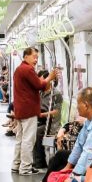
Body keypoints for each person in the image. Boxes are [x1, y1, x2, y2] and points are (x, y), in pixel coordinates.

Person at [12, 47, 60, 175]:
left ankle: (16, 165)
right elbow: (39, 85)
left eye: (37, 57)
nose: (35, 60)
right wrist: (49, 77)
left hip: (21, 109)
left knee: (20, 139)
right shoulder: (28, 69)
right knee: (28, 140)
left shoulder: (19, 69)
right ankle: (25, 168)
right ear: (26, 56)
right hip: (28, 110)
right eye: (34, 57)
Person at [33, 69, 63, 170]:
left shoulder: (56, 94)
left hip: (50, 122)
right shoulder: (40, 92)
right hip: (39, 118)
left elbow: (56, 112)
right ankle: (32, 160)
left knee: (37, 132)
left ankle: (40, 162)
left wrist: (42, 114)